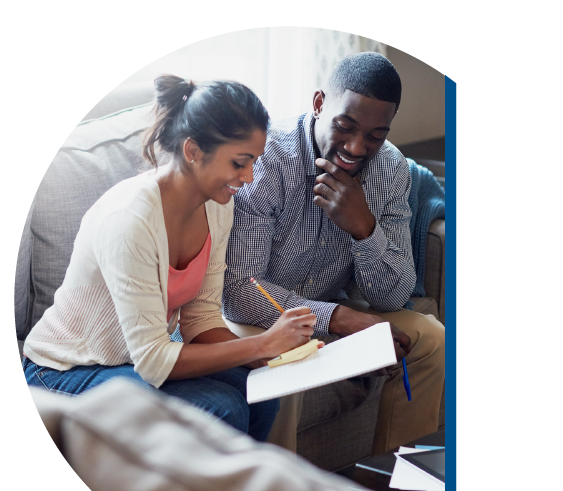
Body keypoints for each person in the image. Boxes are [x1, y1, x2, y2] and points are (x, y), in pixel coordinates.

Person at [22, 75, 317, 442]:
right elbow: (153, 359)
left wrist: (261, 357)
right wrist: (260, 344)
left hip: (133, 358)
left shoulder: (218, 205)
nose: (249, 176)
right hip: (66, 367)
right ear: (193, 151)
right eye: (240, 162)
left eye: (254, 162)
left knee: (260, 397)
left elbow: (201, 319)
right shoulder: (130, 221)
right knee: (221, 408)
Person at [222, 53, 445, 453]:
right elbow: (239, 293)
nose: (357, 147)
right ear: (320, 103)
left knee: (430, 336)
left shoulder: (390, 169)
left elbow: (392, 297)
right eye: (345, 127)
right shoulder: (269, 160)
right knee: (288, 361)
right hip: (258, 319)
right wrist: (340, 319)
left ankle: (398, 483)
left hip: (325, 308)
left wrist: (364, 228)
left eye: (375, 135)